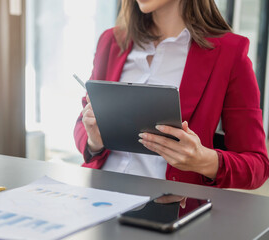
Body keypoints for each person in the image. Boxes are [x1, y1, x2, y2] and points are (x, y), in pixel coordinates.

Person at [74, 0, 269, 189]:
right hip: (97, 196)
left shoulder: (229, 53)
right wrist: (94, 140)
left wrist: (203, 160)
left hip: (168, 211)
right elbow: (83, 124)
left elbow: (258, 166)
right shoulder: (111, 41)